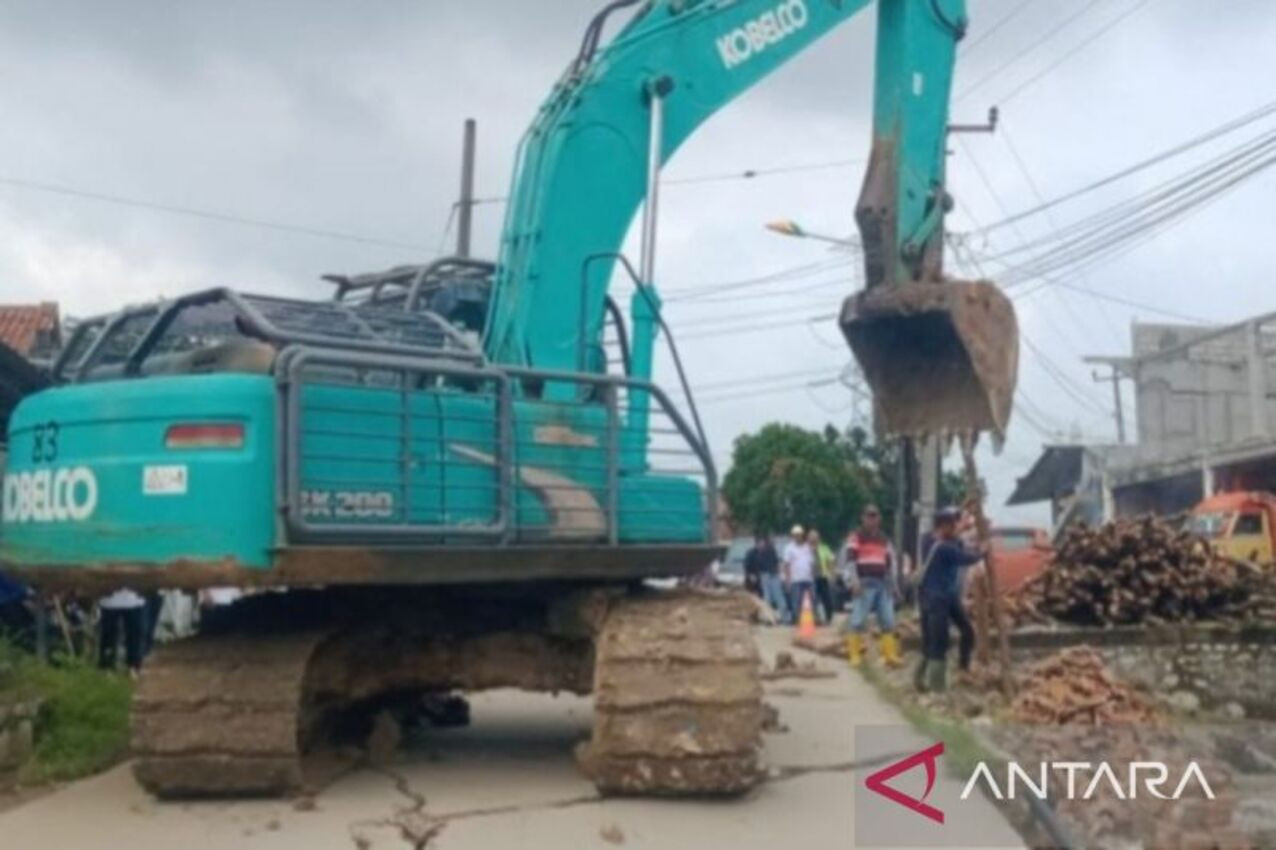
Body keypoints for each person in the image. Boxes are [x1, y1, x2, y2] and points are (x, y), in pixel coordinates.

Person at [914, 508, 986, 693]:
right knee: (938, 642)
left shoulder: (947, 542)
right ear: (943, 526)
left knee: (967, 631)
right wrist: (982, 553)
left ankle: (963, 667)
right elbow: (963, 558)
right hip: (935, 599)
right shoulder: (938, 545)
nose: (956, 528)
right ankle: (935, 688)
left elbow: (961, 547)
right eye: (953, 525)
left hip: (948, 596)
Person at [842, 505, 901, 668]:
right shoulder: (856, 537)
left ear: (879, 519)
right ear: (863, 518)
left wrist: (894, 586)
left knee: (888, 620)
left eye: (875, 516)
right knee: (858, 620)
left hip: (882, 583)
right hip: (864, 583)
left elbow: (890, 564)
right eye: (869, 516)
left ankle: (889, 654)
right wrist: (853, 581)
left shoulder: (884, 539)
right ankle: (854, 654)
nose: (872, 519)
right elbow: (850, 561)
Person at [99, 588, 147, 676]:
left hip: (134, 599)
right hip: (110, 600)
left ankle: (133, 666)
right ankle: (107, 666)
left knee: (135, 635)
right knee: (108, 636)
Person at [745, 535, 789, 623]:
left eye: (763, 542)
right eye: (760, 542)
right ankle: (766, 618)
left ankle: (783, 618)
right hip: (760, 579)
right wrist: (751, 575)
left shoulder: (771, 551)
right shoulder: (752, 553)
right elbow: (748, 566)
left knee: (777, 598)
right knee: (766, 599)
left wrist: (779, 573)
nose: (762, 544)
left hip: (770, 577)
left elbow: (776, 563)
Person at [782, 526, 818, 624]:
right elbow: (786, 565)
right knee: (796, 602)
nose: (797, 537)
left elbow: (812, 562)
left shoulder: (808, 547)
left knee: (812, 600)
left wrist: (813, 575)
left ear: (802, 535)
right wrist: (788, 580)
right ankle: (797, 620)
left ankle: (812, 619)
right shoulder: (789, 548)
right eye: (795, 535)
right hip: (795, 579)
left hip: (808, 579)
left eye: (799, 535)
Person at [810, 530, 836, 624]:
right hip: (811, 578)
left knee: (826, 598)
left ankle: (829, 617)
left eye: (815, 537)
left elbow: (831, 560)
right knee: (813, 599)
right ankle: (816, 618)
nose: (813, 539)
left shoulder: (824, 548)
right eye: (811, 537)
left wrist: (832, 573)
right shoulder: (806, 548)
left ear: (818, 538)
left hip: (822, 576)